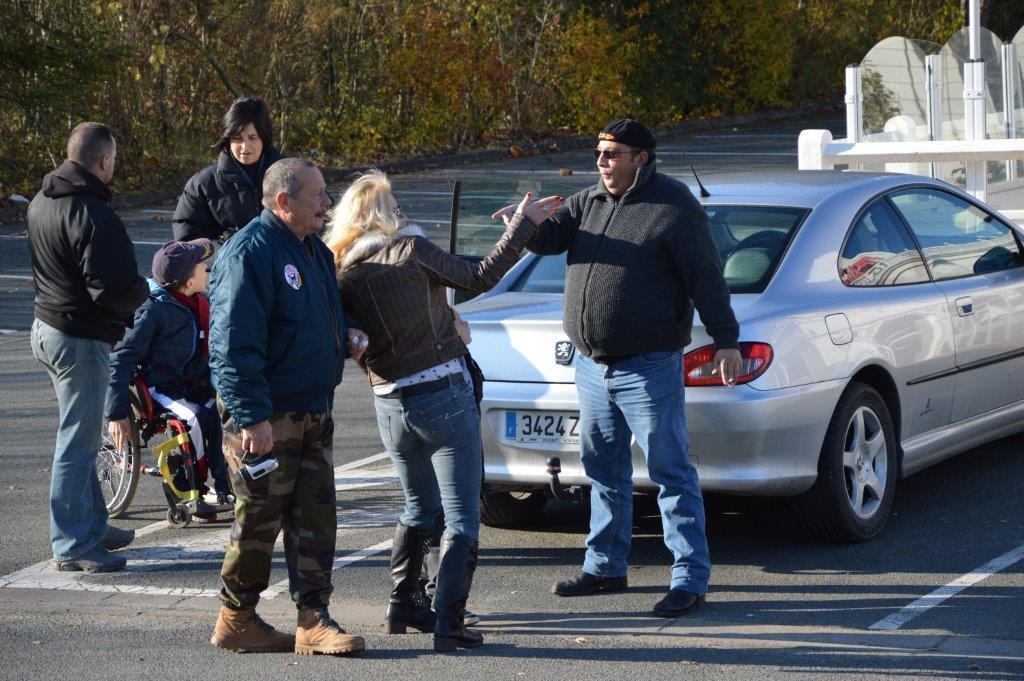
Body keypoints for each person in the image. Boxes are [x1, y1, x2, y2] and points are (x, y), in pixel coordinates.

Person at [491, 118, 742, 618]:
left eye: (612, 153)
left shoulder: (674, 208)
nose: (601, 161)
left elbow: (706, 279)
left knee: (671, 472)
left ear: (640, 158)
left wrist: (725, 340)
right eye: (599, 153)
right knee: (602, 470)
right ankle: (605, 566)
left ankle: (689, 578)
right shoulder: (588, 202)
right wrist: (522, 225)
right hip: (591, 365)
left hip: (647, 366)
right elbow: (550, 241)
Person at [328, 169, 562, 652]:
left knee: (418, 506)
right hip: (441, 394)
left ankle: (402, 605)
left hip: (389, 403)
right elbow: (478, 277)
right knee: (461, 518)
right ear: (382, 213)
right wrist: (522, 226)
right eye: (395, 204)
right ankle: (449, 624)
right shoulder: (410, 250)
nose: (403, 211)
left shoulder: (344, 274)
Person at [207, 157, 369, 656]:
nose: (328, 203)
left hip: (312, 409)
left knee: (315, 517)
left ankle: (313, 620)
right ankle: (237, 618)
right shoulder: (248, 254)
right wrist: (251, 416)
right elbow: (232, 345)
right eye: (318, 194)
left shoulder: (313, 250)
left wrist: (346, 334)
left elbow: (318, 313)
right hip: (267, 416)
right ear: (284, 201)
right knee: (258, 518)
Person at [27, 122, 150, 573]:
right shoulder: (92, 213)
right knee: (77, 443)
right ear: (103, 161)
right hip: (79, 337)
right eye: (113, 161)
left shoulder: (42, 200)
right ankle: (73, 544)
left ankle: (92, 526)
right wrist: (145, 292)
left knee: (79, 435)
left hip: (47, 328)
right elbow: (113, 287)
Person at [105, 238, 231, 519]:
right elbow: (122, 359)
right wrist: (116, 411)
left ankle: (226, 485)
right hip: (161, 387)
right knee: (196, 417)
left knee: (220, 411)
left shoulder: (200, 302)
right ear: (188, 281)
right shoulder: (152, 310)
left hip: (193, 381)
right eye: (202, 266)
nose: (206, 269)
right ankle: (193, 487)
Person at [172, 97, 283, 243]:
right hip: (227, 264)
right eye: (237, 138)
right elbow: (187, 237)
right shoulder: (203, 184)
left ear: (264, 137)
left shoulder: (291, 175)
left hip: (284, 263)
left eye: (252, 137)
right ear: (227, 139)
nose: (245, 146)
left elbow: (312, 225)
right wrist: (225, 245)